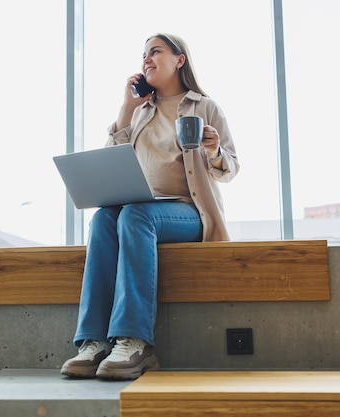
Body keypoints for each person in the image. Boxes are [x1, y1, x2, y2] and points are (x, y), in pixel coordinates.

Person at [60, 33, 239, 380]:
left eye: (155, 52)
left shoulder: (204, 106)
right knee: (102, 219)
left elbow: (230, 168)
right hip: (141, 208)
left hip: (189, 211)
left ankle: (135, 342)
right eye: (143, 55)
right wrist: (126, 108)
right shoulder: (140, 112)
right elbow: (112, 156)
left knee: (135, 215)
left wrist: (213, 151)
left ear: (179, 59)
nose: (146, 60)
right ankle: (94, 342)